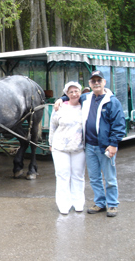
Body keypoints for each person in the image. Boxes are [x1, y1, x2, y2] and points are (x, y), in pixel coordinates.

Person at [54, 70, 126, 217]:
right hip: (89, 146)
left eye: (99, 80)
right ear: (90, 84)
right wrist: (60, 99)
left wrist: (113, 143)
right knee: (94, 177)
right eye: (93, 81)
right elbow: (72, 95)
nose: (96, 83)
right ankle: (100, 202)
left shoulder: (112, 101)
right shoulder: (86, 98)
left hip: (105, 146)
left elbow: (119, 124)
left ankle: (112, 204)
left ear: (104, 82)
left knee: (110, 177)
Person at [49, 81, 85, 215]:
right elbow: (53, 126)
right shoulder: (60, 107)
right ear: (66, 94)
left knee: (78, 175)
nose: (74, 94)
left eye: (76, 91)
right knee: (62, 175)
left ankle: (78, 202)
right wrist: (51, 144)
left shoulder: (85, 106)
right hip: (60, 147)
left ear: (80, 92)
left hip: (79, 147)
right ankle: (64, 204)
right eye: (71, 92)